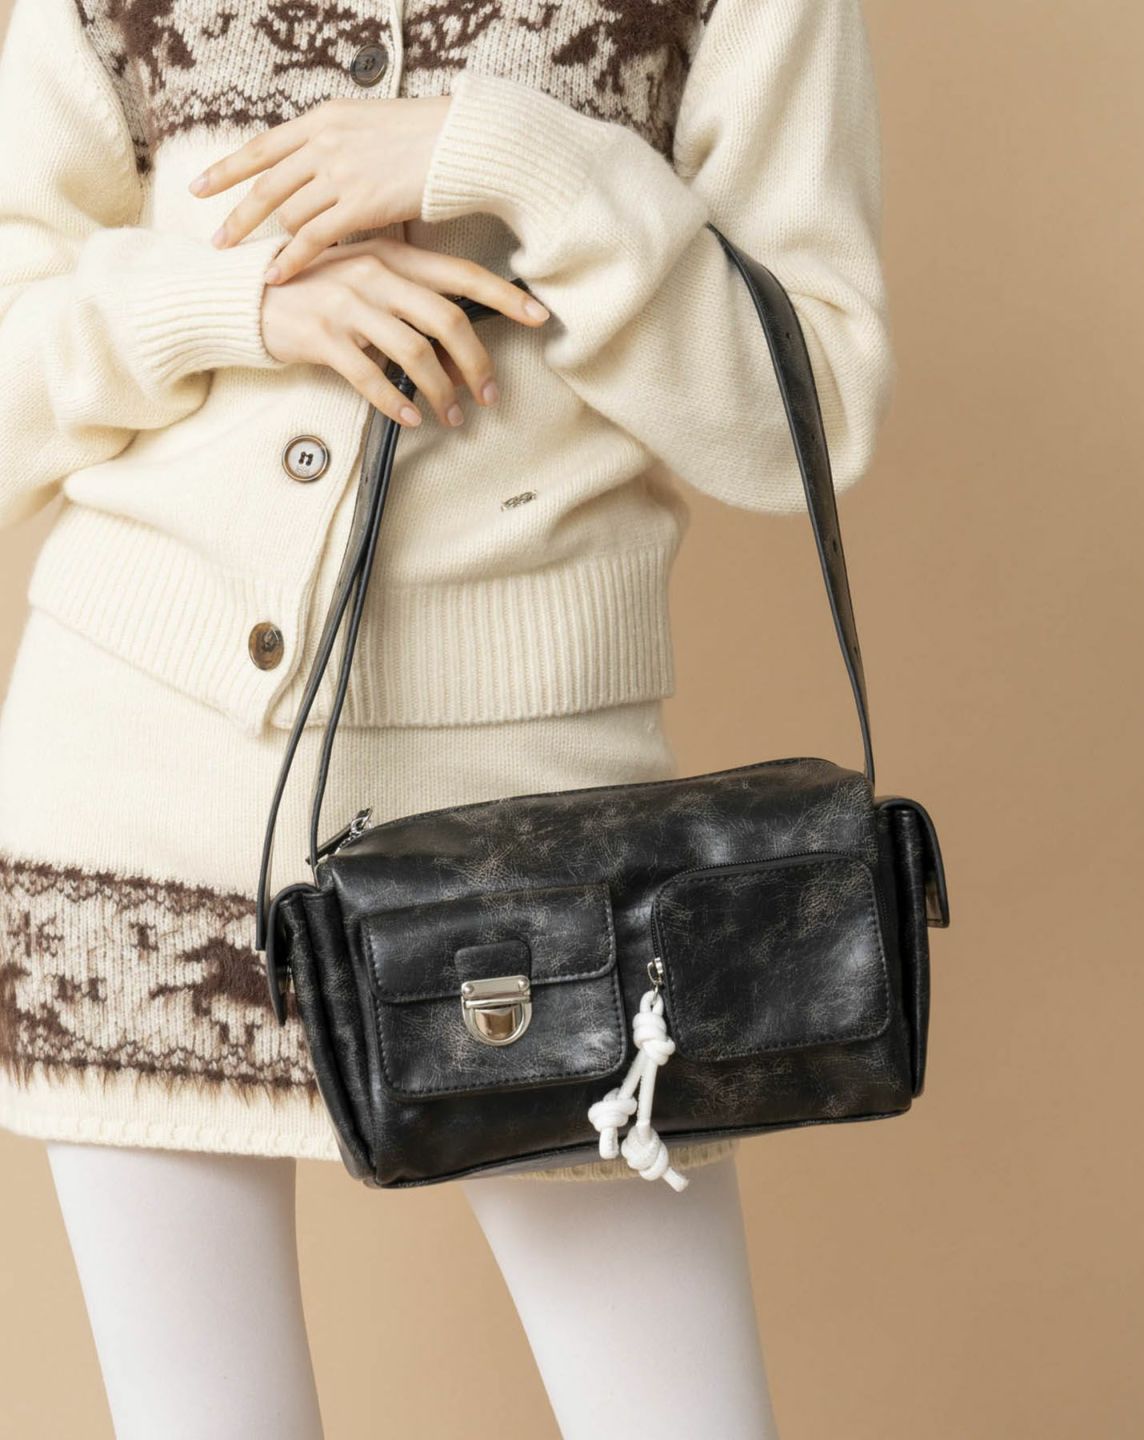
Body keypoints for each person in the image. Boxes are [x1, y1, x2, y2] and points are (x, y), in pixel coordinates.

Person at [0, 1, 893, 1435]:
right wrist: (226, 300)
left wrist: (521, 161)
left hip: (542, 835)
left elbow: (812, 414)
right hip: (131, 787)